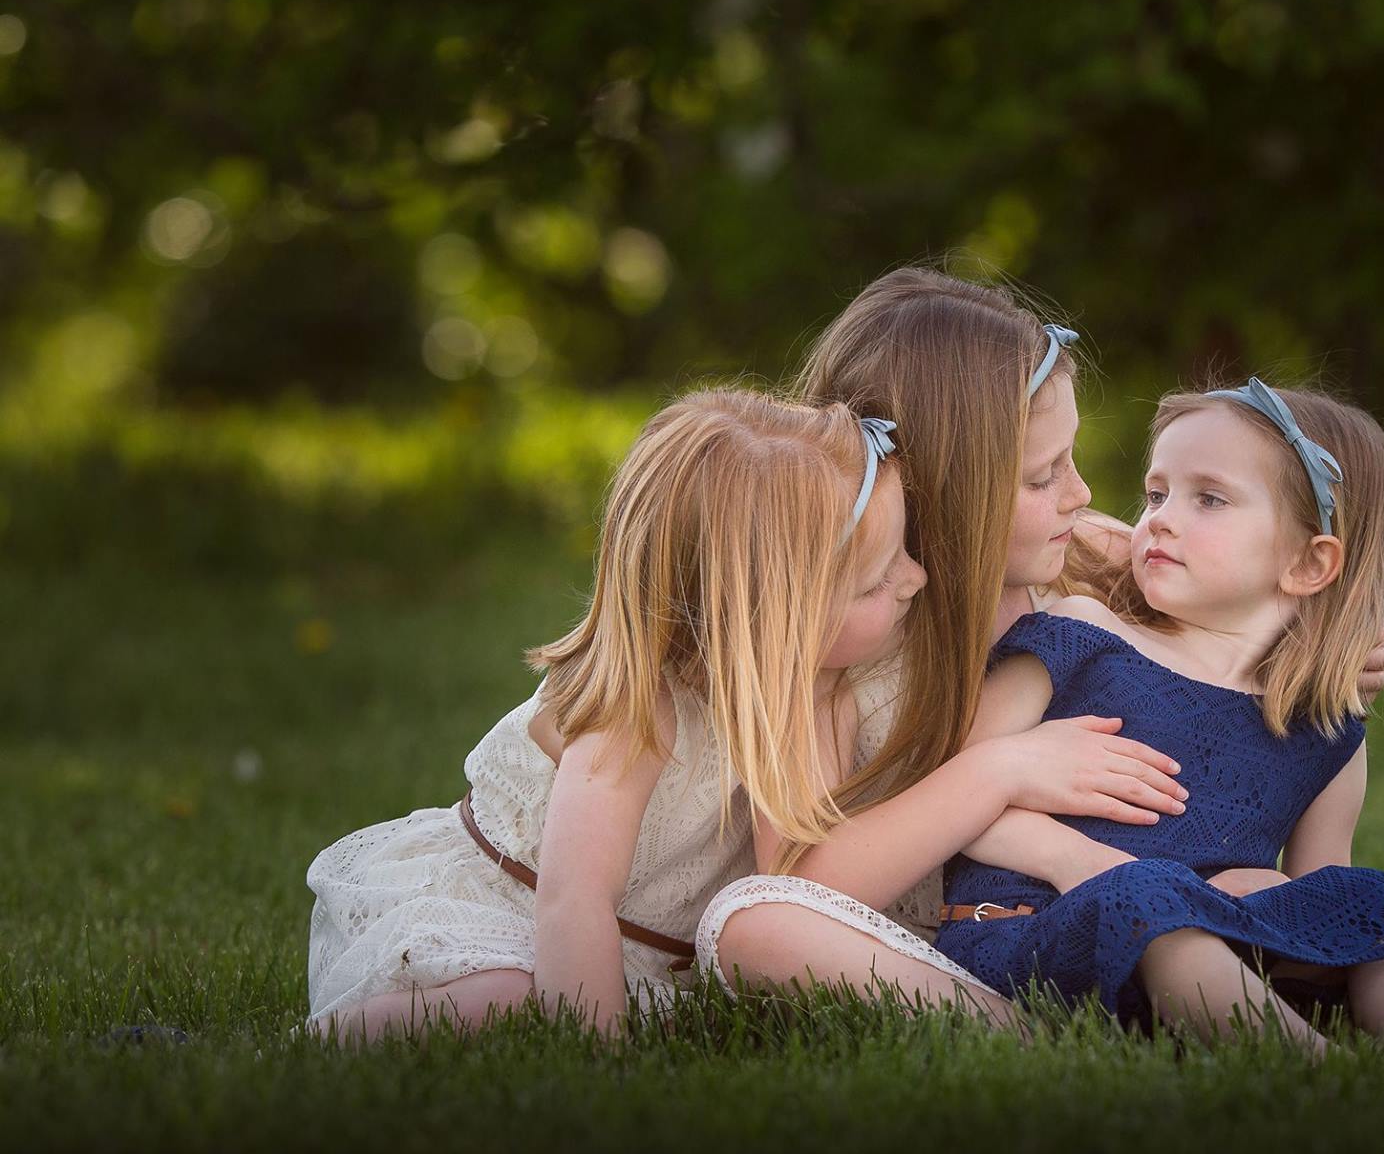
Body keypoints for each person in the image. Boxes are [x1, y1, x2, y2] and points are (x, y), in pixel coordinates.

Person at [303, 384, 1181, 1040]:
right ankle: (312, 1046)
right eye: (880, 578)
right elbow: (575, 900)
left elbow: (806, 872)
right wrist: (601, 1069)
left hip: (652, 953)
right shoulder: (635, 706)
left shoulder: (809, 680)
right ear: (774, 613)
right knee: (513, 1000)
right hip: (510, 917)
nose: (915, 580)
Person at [696, 268, 1384, 1016]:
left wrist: (1329, 639)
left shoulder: (1083, 554)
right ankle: (1005, 1028)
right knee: (756, 925)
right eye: (1044, 476)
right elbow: (801, 886)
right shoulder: (831, 628)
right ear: (948, 490)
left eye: (1072, 458)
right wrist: (1001, 770)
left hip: (1080, 920)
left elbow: (1247, 583)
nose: (1082, 494)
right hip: (896, 940)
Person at [932, 378, 1384, 1049]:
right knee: (1153, 899)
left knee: (1368, 902)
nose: (1158, 516)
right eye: (1157, 493)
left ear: (1309, 562)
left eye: (1208, 499)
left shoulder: (1325, 727)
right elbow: (950, 791)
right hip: (1024, 928)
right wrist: (1080, 859)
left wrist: (1270, 897)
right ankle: (1320, 1074)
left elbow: (1321, 899)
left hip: (1197, 948)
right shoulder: (1082, 634)